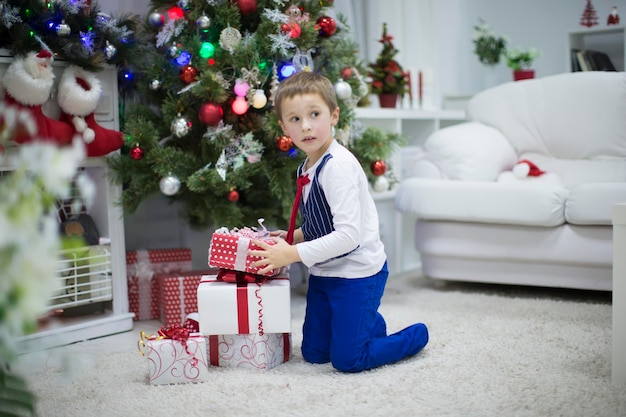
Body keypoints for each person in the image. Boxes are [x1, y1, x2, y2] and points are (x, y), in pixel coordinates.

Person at [249, 71, 428, 373]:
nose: (305, 126)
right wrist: (295, 237)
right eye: (294, 119)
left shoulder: (339, 167)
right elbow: (324, 222)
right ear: (283, 127)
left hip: (356, 273)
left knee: (348, 360)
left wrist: (291, 255)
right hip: (325, 272)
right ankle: (364, 323)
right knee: (315, 353)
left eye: (314, 114)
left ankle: (414, 336)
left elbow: (347, 237)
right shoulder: (308, 165)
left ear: (333, 115)